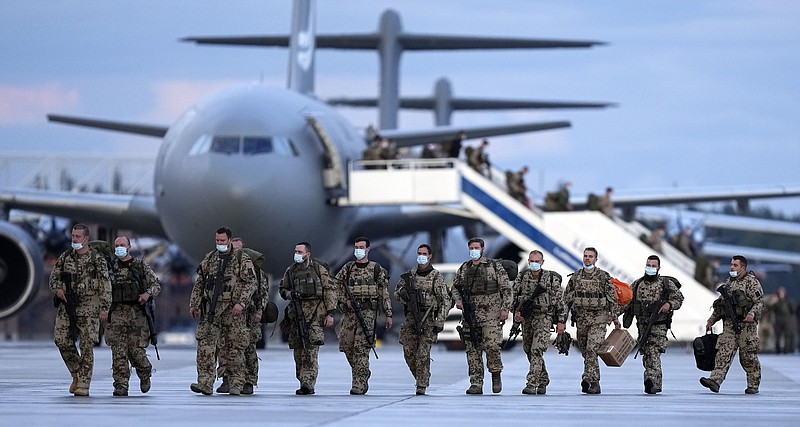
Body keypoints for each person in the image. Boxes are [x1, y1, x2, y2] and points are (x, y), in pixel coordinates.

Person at [189, 226, 257, 396]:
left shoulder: (242, 259)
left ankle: (236, 383)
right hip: (211, 311)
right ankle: (204, 382)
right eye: (217, 241)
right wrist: (194, 304)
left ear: (229, 240)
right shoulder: (210, 259)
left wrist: (241, 303)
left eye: (222, 241)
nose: (219, 243)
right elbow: (200, 283)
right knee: (205, 348)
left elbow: (250, 283)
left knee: (234, 349)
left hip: (233, 312)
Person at [50, 223, 112, 396]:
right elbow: (54, 277)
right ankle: (76, 372)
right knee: (61, 340)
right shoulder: (66, 257)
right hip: (67, 305)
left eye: (77, 237)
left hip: (89, 307)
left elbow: (106, 285)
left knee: (86, 345)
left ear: (86, 239)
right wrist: (58, 289)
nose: (74, 239)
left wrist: (104, 308)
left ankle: (84, 383)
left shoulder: (97, 259)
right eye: (72, 236)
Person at [451, 237, 511, 395]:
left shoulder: (494, 266)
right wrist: (458, 300)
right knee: (472, 350)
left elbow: (506, 289)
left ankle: (496, 374)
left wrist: (505, 309)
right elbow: (455, 286)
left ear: (483, 249)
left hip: (491, 314)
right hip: (471, 315)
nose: (474, 251)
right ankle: (476, 383)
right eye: (471, 248)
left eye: (476, 248)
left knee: (492, 346)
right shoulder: (464, 268)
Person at [333, 237, 392, 395]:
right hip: (349, 313)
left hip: (367, 314)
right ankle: (363, 372)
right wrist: (345, 300)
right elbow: (335, 285)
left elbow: (383, 294)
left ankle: (358, 384)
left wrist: (388, 314)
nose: (358, 250)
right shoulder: (348, 268)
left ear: (368, 249)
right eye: (356, 247)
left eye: (361, 247)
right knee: (346, 346)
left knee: (361, 348)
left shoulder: (376, 269)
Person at [105, 236, 161, 396]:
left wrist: (147, 295)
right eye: (116, 245)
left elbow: (156, 285)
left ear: (129, 247)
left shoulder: (140, 266)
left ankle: (145, 372)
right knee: (119, 352)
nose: (119, 248)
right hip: (116, 315)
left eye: (122, 245)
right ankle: (120, 385)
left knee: (136, 351)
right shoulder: (110, 268)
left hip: (137, 315)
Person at [700, 255, 764, 394]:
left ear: (743, 267)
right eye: (731, 264)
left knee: (747, 357)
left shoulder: (751, 283)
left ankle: (753, 384)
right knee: (724, 352)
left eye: (735, 265)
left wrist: (751, 314)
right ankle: (715, 380)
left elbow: (759, 302)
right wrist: (711, 320)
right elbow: (721, 305)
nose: (732, 267)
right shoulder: (729, 283)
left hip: (747, 326)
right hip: (729, 324)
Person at [279, 241, 337, 395]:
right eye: (295, 251)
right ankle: (302, 379)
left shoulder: (318, 270)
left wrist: (330, 313)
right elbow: (283, 288)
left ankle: (308, 383)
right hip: (296, 315)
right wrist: (289, 294)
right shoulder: (291, 271)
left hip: (315, 316)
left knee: (310, 351)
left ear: (307, 254)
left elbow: (330, 290)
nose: (296, 254)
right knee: (298, 352)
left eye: (299, 251)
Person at [622, 255, 683, 394]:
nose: (650, 268)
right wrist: (613, 316)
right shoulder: (637, 284)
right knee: (647, 353)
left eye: (653, 266)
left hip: (659, 325)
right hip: (642, 325)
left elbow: (679, 298)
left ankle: (653, 381)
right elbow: (627, 301)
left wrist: (669, 304)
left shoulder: (665, 284)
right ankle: (651, 380)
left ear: (658, 268)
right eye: (648, 265)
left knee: (653, 352)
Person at [394, 244, 450, 395]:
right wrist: (403, 293)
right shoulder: (409, 275)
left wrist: (440, 321)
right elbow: (397, 293)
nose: (421, 255)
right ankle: (422, 376)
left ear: (430, 256)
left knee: (423, 354)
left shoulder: (436, 277)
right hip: (411, 318)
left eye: (424, 253)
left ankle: (421, 384)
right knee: (409, 352)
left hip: (428, 318)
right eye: (419, 253)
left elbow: (445, 300)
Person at [563, 247, 620, 394]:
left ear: (596, 259)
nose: (587, 258)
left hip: (599, 319)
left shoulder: (602, 276)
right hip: (582, 320)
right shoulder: (575, 277)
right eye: (585, 256)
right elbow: (566, 300)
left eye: (590, 256)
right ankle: (595, 383)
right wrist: (561, 321)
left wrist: (615, 318)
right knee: (586, 351)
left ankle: (588, 379)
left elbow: (612, 299)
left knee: (592, 348)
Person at [215, 237, 269, 395]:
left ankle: (249, 381)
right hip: (228, 314)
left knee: (248, 349)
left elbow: (263, 295)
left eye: (239, 249)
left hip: (249, 316)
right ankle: (226, 379)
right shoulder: (224, 268)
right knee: (225, 347)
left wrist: (259, 312)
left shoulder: (257, 273)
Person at [512, 250, 566, 395]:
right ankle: (543, 378)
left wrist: (561, 321)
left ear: (542, 262)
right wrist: (516, 313)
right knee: (528, 350)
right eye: (531, 261)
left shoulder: (550, 279)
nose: (534, 263)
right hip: (527, 319)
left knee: (537, 350)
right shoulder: (522, 277)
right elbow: (514, 297)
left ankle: (532, 383)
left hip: (544, 318)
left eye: (537, 261)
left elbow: (559, 302)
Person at [769, 287, 795, 354]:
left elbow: (792, 310)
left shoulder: (787, 301)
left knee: (787, 336)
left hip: (786, 320)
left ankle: (786, 350)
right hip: (778, 321)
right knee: (778, 336)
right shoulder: (776, 301)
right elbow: (771, 309)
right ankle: (778, 350)